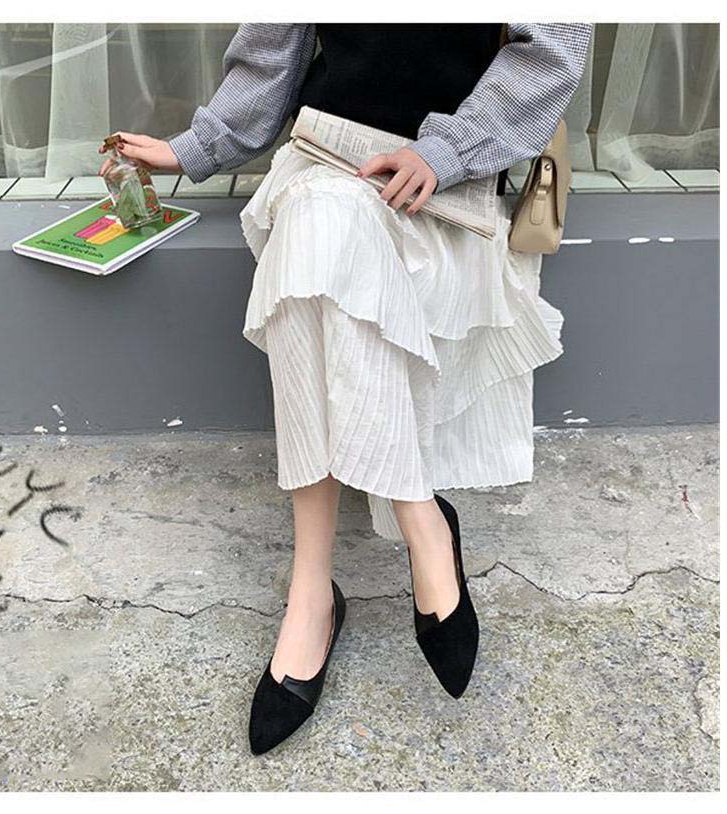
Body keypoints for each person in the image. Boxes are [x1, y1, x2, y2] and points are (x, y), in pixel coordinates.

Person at [100, 22, 593, 755]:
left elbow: (551, 48)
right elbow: (276, 43)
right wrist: (194, 147)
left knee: (318, 273)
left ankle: (317, 594)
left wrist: (444, 152)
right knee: (319, 228)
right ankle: (414, 521)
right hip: (328, 157)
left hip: (444, 181)